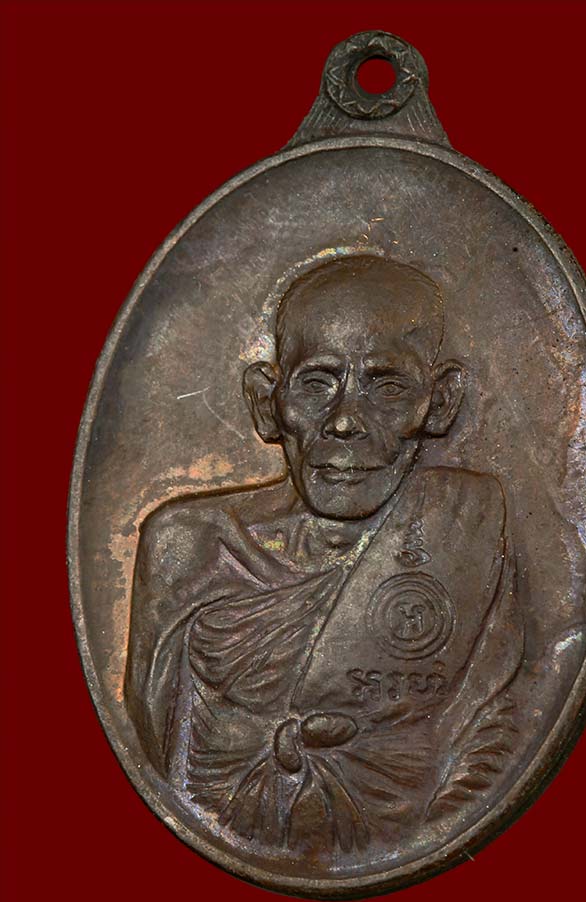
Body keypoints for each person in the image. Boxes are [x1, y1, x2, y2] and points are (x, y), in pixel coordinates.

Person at [124, 254, 524, 856]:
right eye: (317, 383)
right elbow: (146, 742)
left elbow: (495, 729)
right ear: (268, 401)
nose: (344, 422)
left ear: (439, 401)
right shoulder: (189, 545)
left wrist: (423, 843)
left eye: (387, 387)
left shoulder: (466, 527)